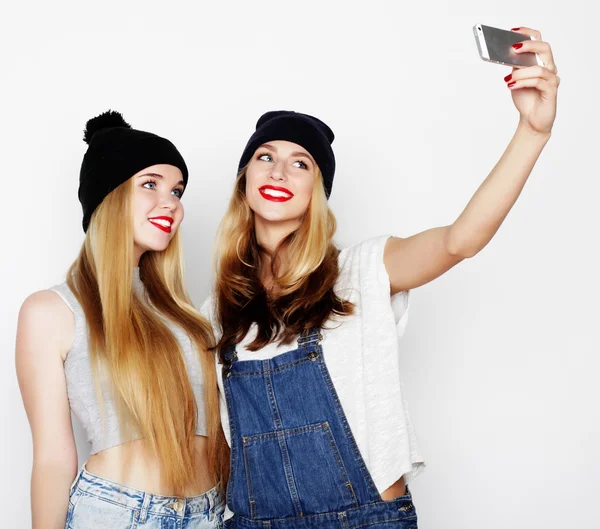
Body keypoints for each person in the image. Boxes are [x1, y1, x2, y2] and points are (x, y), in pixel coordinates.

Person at [201, 28, 559, 528]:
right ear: (245, 180)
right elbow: (214, 445)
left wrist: (532, 132)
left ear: (317, 191)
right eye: (266, 157)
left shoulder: (364, 270)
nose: (279, 171)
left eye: (300, 163)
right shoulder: (214, 310)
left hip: (367, 519)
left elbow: (461, 240)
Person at [16, 111, 225, 529]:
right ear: (108, 196)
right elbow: (54, 458)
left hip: (211, 514)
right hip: (117, 515)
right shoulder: (52, 311)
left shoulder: (189, 316)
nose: (172, 203)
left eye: (177, 190)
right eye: (150, 184)